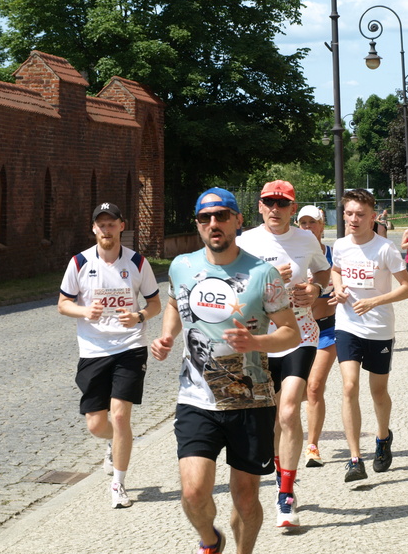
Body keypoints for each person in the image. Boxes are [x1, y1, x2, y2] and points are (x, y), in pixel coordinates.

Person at [150, 188, 301, 554]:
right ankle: (210, 540)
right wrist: (167, 335)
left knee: (246, 499)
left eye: (221, 216)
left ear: (237, 220)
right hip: (196, 398)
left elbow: (290, 332)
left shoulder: (262, 273)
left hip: (251, 401)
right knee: (193, 491)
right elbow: (174, 302)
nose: (213, 224)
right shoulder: (181, 266)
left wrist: (256, 343)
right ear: (198, 225)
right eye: (205, 218)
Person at [236, 181, 330, 528]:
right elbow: (232, 285)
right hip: (260, 337)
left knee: (289, 410)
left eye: (283, 203)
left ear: (293, 208)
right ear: (260, 206)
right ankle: (280, 471)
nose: (275, 209)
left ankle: (286, 494)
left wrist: (314, 289)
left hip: (299, 334)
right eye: (269, 203)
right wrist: (266, 278)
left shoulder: (306, 239)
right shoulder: (245, 241)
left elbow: (322, 271)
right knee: (271, 417)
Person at [58, 202, 162, 509]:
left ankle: (118, 483)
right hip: (93, 350)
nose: (106, 229)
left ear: (121, 226)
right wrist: (84, 310)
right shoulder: (79, 262)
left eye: (111, 223)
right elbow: (63, 304)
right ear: (93, 229)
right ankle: (112, 443)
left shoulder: (138, 263)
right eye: (100, 224)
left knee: (119, 415)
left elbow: (155, 304)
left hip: (130, 347)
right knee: (96, 424)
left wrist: (139, 317)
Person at [328, 189, 408, 482]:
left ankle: (382, 437)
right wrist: (338, 288)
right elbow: (336, 270)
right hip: (347, 324)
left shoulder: (385, 248)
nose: (354, 219)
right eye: (349, 213)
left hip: (378, 328)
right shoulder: (339, 245)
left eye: (360, 214)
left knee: (378, 392)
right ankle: (354, 459)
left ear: (372, 217)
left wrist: (374, 301)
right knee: (349, 386)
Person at [295, 206, 336, 468]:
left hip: (327, 330)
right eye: (303, 223)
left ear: (322, 225)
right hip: (296, 332)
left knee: (313, 387)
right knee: (293, 391)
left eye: (313, 222)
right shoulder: (294, 255)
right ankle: (288, 440)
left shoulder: (334, 254)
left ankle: (312, 445)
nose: (308, 227)